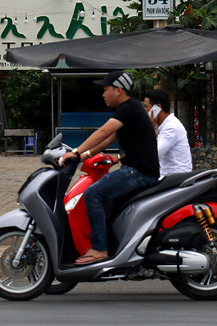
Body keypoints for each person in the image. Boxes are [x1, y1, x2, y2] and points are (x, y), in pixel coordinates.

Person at [58, 71, 160, 265]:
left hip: (138, 172)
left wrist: (76, 152)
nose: (103, 94)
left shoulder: (128, 108)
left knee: (92, 194)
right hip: (137, 171)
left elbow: (104, 131)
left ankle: (99, 249)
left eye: (105, 90)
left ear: (118, 90)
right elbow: (108, 139)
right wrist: (83, 156)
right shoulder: (130, 109)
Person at [144, 89, 192, 177]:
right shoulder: (166, 125)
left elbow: (152, 154)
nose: (144, 110)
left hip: (175, 180)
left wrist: (149, 129)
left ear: (157, 108)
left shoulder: (171, 127)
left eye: (146, 106)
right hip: (168, 177)